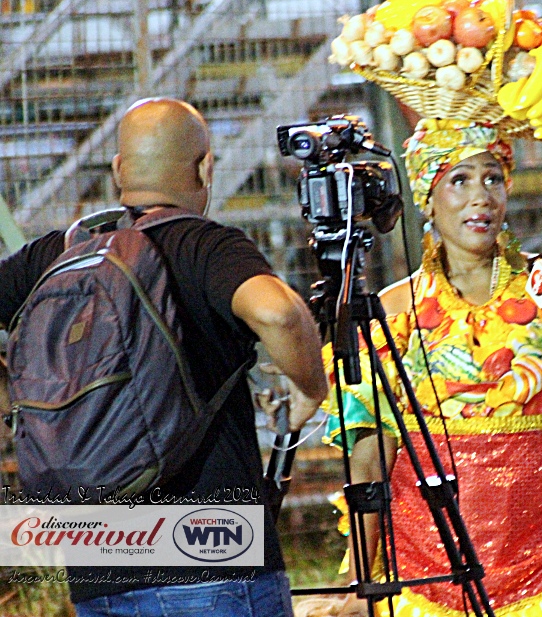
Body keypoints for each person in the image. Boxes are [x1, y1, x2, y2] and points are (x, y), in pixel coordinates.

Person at [0, 97, 328, 617]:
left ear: (117, 170)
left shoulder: (56, 255)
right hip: (213, 556)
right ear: (205, 167)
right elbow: (278, 313)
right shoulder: (206, 245)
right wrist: (311, 386)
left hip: (96, 561)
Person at [323, 118, 542, 617]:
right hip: (427, 575)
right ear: (426, 196)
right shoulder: (391, 316)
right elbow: (370, 460)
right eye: (459, 180)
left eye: (493, 178)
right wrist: (361, 581)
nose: (481, 197)